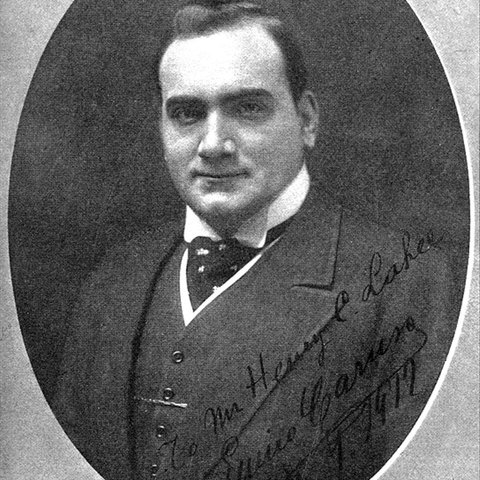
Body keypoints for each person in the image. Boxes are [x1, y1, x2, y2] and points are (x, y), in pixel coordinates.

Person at [53, 2, 454, 480]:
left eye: (247, 108)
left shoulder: (406, 285)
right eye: (186, 113)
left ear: (307, 120)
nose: (213, 144)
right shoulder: (115, 280)